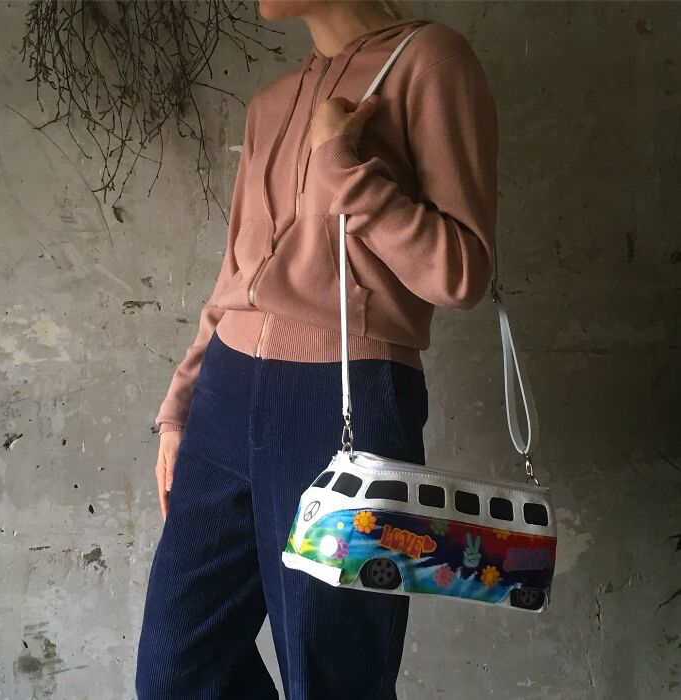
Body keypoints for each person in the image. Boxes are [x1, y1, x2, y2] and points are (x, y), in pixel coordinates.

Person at [135, 1, 498, 698]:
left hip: (343, 399)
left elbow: (461, 273)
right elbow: (235, 276)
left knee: (334, 678)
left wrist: (343, 168)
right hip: (224, 394)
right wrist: (180, 407)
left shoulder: (430, 61)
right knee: (176, 671)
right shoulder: (269, 103)